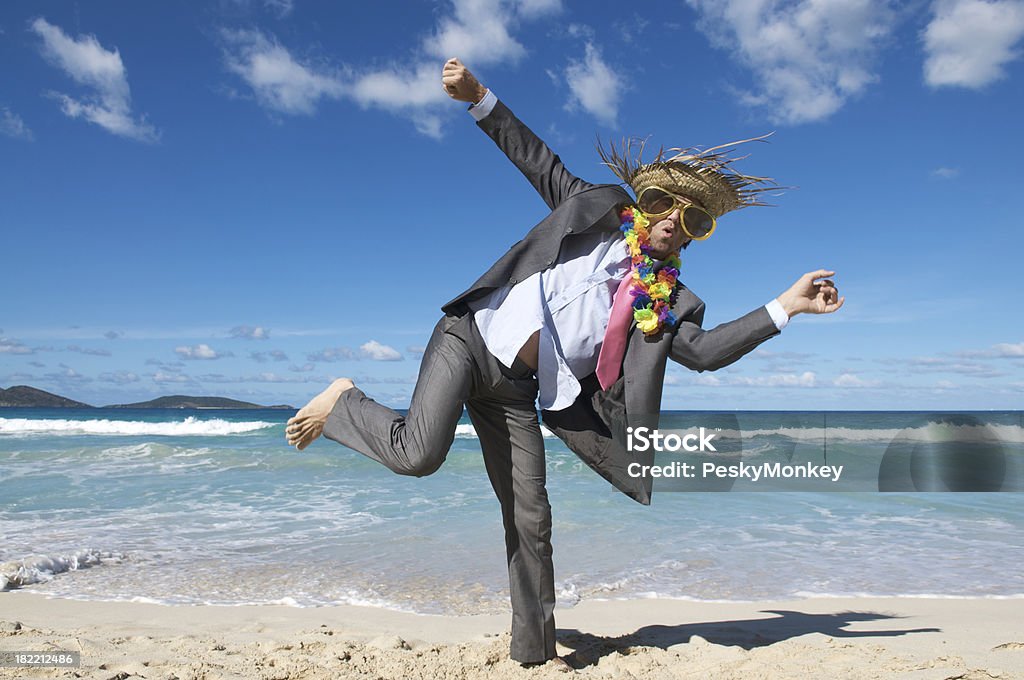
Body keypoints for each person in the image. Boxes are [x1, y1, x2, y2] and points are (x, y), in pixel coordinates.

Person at [285, 58, 844, 670]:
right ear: (646, 199)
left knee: (532, 518)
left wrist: (786, 306)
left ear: (692, 235)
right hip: (471, 339)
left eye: (689, 219)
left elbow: (704, 354)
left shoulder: (669, 303)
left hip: (519, 392)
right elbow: (535, 157)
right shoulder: (593, 209)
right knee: (419, 455)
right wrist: (478, 99)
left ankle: (533, 652)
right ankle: (344, 402)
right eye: (661, 202)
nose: (667, 221)